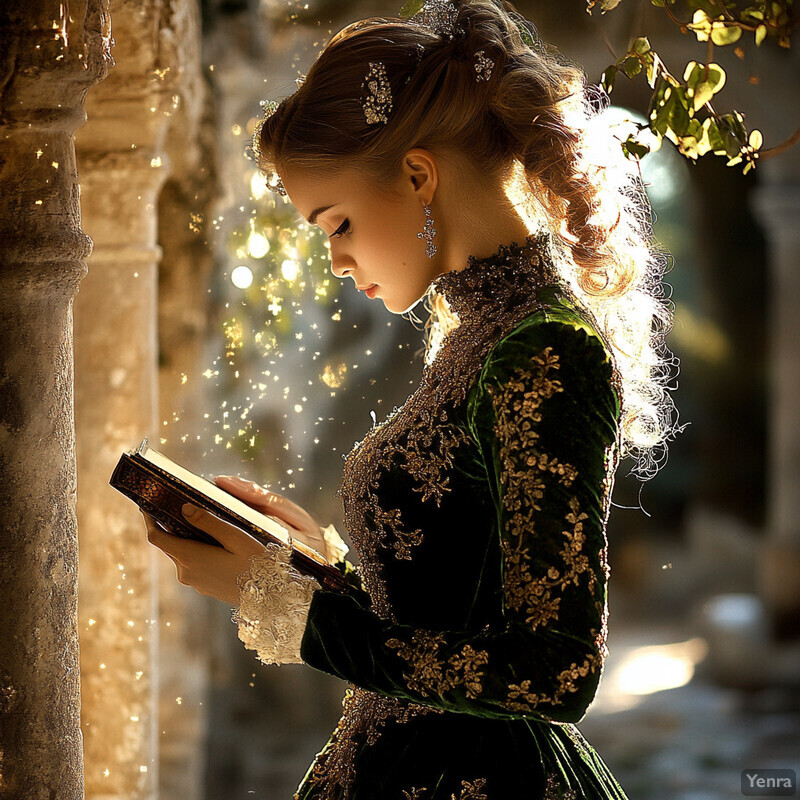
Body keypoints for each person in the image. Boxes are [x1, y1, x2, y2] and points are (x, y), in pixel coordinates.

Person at [143, 1, 677, 797]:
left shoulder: (543, 349)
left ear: (419, 175)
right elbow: (451, 615)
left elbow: (555, 672)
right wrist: (318, 574)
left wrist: (296, 616)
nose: (334, 258)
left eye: (339, 222)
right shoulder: (479, 333)